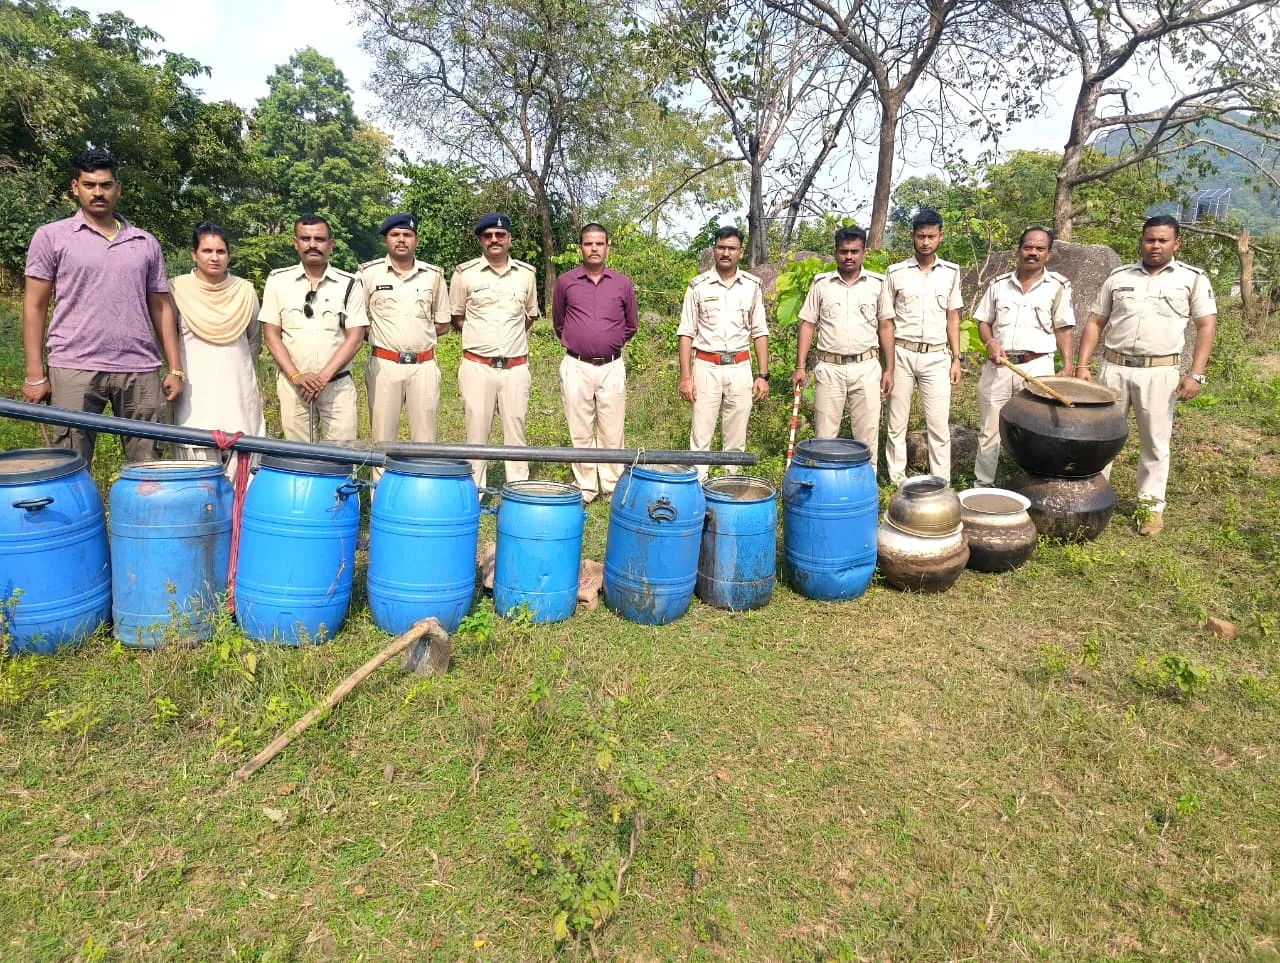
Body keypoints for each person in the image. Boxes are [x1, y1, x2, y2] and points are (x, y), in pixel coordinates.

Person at [21, 147, 184, 465]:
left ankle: (141, 516)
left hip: (139, 370)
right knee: (69, 465)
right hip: (74, 366)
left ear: (118, 189)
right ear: (75, 187)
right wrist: (34, 374)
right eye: (89, 185)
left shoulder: (144, 242)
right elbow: (34, 306)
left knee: (149, 466)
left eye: (105, 185)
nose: (98, 192)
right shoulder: (52, 237)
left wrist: (175, 368)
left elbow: (162, 307)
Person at [1075, 215, 1217, 536]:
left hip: (1160, 372)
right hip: (1113, 369)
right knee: (1101, 438)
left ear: (1176, 243)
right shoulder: (1119, 276)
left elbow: (1206, 325)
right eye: (1150, 239)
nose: (1155, 246)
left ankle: (1149, 509)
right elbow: (1096, 321)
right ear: (1141, 240)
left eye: (1162, 240)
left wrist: (1196, 373)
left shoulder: (1192, 279)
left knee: (1155, 443)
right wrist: (1083, 365)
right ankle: (1094, 497)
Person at [971, 226, 1075, 487]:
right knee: (989, 429)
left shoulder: (1059, 286)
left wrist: (1069, 366)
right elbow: (983, 321)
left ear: (1049, 254)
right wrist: (990, 342)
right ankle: (983, 485)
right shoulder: (998, 285)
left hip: (1038, 368)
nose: (1033, 253)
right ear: (1019, 250)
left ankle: (1034, 486)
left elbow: (1064, 328)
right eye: (1028, 247)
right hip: (1000, 365)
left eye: (1040, 249)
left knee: (1037, 428)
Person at [169, 222, 267, 480]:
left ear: (229, 254)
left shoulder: (245, 291)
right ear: (194, 254)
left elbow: (253, 340)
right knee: (196, 478)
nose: (214, 257)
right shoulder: (176, 289)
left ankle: (239, 521)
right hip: (194, 398)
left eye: (221, 251)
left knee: (244, 467)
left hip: (238, 392)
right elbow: (165, 341)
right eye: (207, 251)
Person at [450, 212, 540, 489]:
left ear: (509, 239)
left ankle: (518, 491)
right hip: (477, 366)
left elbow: (529, 316)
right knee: (476, 432)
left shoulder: (526, 274)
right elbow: (457, 317)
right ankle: (474, 492)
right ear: (480, 240)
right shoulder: (464, 274)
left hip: (515, 367)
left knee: (516, 430)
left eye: (500, 235)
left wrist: (507, 341)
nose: (494, 240)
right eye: (488, 236)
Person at [260, 215, 368, 442]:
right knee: (299, 458)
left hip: (337, 385)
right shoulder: (278, 281)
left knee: (341, 455)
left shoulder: (349, 283)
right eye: (305, 238)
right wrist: (296, 375)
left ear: (331, 244)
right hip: (293, 386)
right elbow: (271, 334)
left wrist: (323, 378)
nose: (312, 245)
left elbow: (356, 338)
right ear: (295, 242)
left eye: (319, 239)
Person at [359, 213, 451, 478]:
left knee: (425, 438)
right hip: (384, 365)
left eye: (407, 235)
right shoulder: (368, 274)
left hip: (423, 366)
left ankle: (420, 494)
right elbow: (360, 322)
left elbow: (442, 323)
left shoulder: (433, 276)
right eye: (395, 235)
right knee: (382, 438)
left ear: (416, 240)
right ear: (386, 239)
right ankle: (380, 495)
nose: (401, 240)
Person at [552, 223, 638, 503]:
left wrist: (607, 341)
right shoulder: (566, 282)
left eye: (599, 243)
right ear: (581, 248)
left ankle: (612, 484)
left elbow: (631, 325)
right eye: (589, 244)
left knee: (612, 428)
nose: (594, 248)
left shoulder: (622, 283)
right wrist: (583, 340)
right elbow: (559, 322)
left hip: (611, 366)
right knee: (580, 428)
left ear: (608, 247)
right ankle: (586, 486)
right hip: (576, 365)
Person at [791, 226, 893, 460]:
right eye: (844, 251)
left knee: (866, 438)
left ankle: (865, 490)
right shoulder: (821, 285)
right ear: (836, 252)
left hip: (866, 367)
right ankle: (826, 491)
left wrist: (890, 369)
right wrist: (800, 366)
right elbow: (808, 324)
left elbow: (886, 327)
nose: (849, 256)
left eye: (854, 251)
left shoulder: (877, 284)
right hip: (830, 368)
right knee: (825, 438)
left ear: (864, 252)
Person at [677, 226, 770, 481]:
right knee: (700, 436)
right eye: (721, 247)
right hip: (706, 366)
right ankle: (697, 490)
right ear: (714, 250)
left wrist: (763, 375)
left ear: (740, 253)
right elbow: (686, 333)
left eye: (731, 248)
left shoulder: (751, 287)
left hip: (740, 368)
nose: (725, 253)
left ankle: (730, 488)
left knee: (736, 437)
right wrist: (686, 377)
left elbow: (760, 332)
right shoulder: (698, 286)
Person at [879, 208, 963, 485]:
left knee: (938, 425)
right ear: (912, 237)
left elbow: (953, 317)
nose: (925, 242)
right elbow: (887, 322)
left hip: (937, 355)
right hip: (902, 352)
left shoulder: (951, 272)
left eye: (931, 236)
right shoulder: (895, 273)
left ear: (941, 236)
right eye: (920, 236)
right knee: (896, 423)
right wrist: (888, 366)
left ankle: (942, 483)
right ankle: (897, 481)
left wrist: (957, 358)